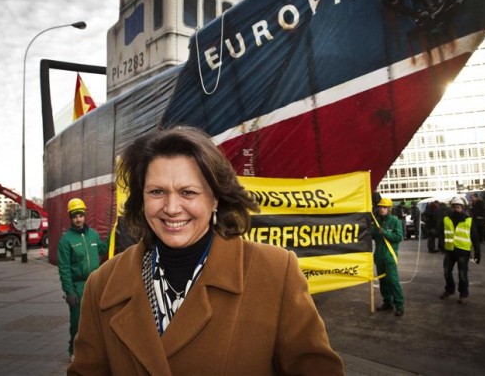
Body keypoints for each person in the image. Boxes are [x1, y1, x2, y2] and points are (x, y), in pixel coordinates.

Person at [68, 127, 345, 375]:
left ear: (214, 198)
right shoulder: (101, 286)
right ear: (141, 199)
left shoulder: (275, 271)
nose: (172, 207)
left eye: (188, 192)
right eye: (157, 192)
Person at [57, 198, 109, 361]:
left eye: (80, 215)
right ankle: (73, 350)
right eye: (75, 216)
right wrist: (69, 292)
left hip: (95, 284)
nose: (78, 219)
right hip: (78, 287)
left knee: (97, 320)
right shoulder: (66, 241)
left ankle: (94, 349)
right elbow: (64, 268)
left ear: (84, 215)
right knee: (77, 321)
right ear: (70, 218)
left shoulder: (93, 234)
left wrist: (113, 234)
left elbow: (103, 249)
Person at [439, 197, 480, 305]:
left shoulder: (469, 220)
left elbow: (475, 237)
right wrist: (441, 244)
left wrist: (477, 252)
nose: (456, 209)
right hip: (450, 250)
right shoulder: (446, 219)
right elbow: (442, 233)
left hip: (463, 251)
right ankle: (450, 289)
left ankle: (463, 294)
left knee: (462, 274)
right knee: (446, 271)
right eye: (454, 207)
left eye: (458, 207)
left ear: (462, 208)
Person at [372, 197, 405, 317]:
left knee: (393, 281)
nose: (382, 209)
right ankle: (388, 302)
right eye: (380, 207)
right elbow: (373, 235)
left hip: (390, 256)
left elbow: (398, 237)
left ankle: (399, 305)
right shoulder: (377, 221)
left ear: (389, 209)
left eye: (384, 207)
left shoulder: (395, 221)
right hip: (379, 256)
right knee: (383, 281)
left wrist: (385, 232)